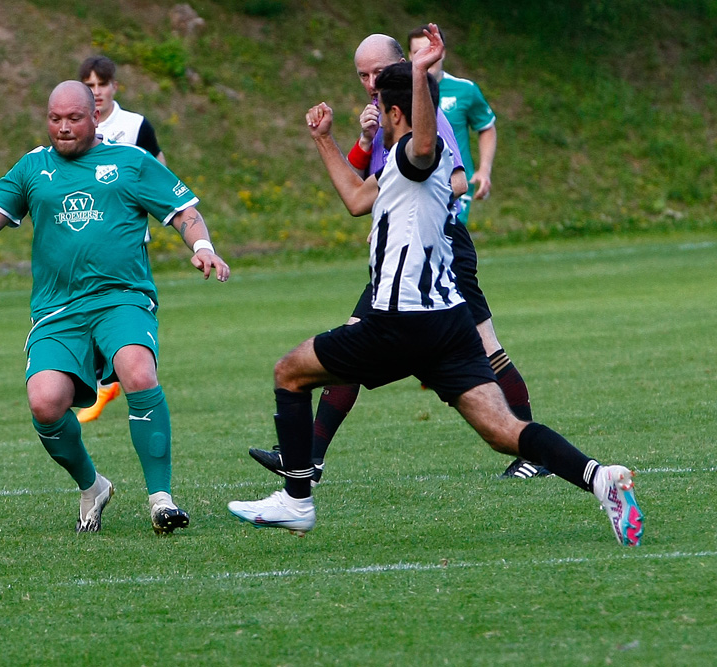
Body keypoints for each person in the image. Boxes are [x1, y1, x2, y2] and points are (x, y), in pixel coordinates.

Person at [228, 25, 643, 548]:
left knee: (288, 372)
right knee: (501, 432)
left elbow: (421, 142)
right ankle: (601, 477)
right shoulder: (403, 164)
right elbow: (357, 199)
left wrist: (422, 73)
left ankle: (296, 498)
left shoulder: (416, 155)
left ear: (398, 113)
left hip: (399, 320)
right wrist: (325, 141)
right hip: (445, 322)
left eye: (381, 98)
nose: (373, 107)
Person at [0, 81, 230, 535]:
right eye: (54, 119)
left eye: (73, 118)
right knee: (45, 404)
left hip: (121, 297)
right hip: (59, 310)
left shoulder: (130, 162)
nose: (62, 127)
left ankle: (161, 499)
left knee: (138, 369)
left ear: (95, 116)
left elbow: (184, 212)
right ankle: (92, 485)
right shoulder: (33, 168)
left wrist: (203, 246)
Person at [248, 31, 547, 481]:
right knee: (349, 344)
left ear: (401, 67)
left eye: (378, 72)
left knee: (488, 348)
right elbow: (363, 191)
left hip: (437, 253)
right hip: (396, 263)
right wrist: (365, 141)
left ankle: (534, 454)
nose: (369, 82)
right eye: (362, 75)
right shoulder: (384, 116)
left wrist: (417, 213)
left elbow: (456, 178)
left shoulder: (423, 112)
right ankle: (309, 456)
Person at [76, 55, 168, 424]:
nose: (96, 92)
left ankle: (114, 382)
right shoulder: (77, 127)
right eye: (89, 85)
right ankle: (101, 381)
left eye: (101, 85)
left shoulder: (135, 126)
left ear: (115, 86)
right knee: (85, 308)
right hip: (84, 238)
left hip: (127, 243)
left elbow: (159, 171)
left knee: (121, 310)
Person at [408, 24, 495, 226]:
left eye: (430, 50)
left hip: (455, 183)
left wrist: (484, 169)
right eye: (417, 52)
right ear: (410, 56)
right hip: (415, 183)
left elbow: (486, 127)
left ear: (442, 52)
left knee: (448, 240)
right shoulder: (402, 93)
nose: (425, 58)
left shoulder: (465, 90)